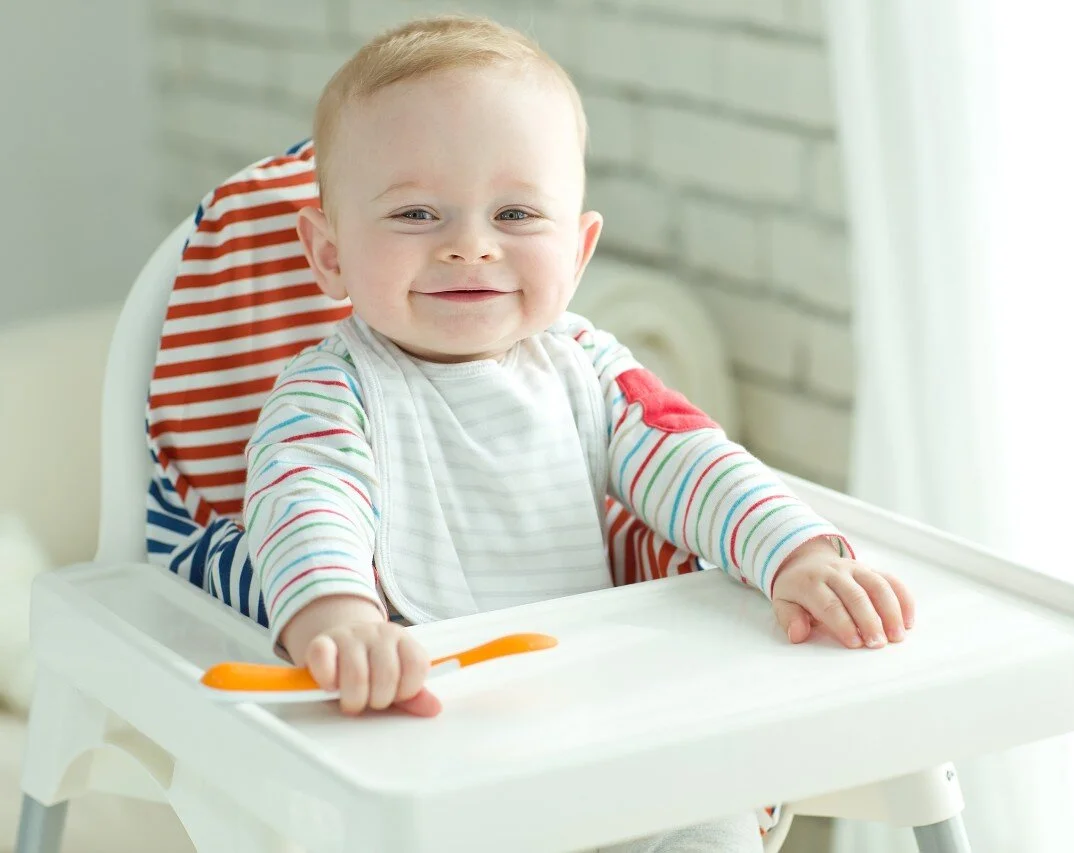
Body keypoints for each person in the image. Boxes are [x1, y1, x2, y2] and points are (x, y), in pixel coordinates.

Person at [243, 14, 915, 852]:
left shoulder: (587, 368)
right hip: (435, 744)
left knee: (710, 818)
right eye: (417, 213)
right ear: (329, 251)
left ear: (581, 246)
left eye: (517, 212)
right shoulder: (331, 391)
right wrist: (340, 621)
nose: (470, 247)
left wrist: (797, 553)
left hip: (607, 724)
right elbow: (306, 497)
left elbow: (690, 456)